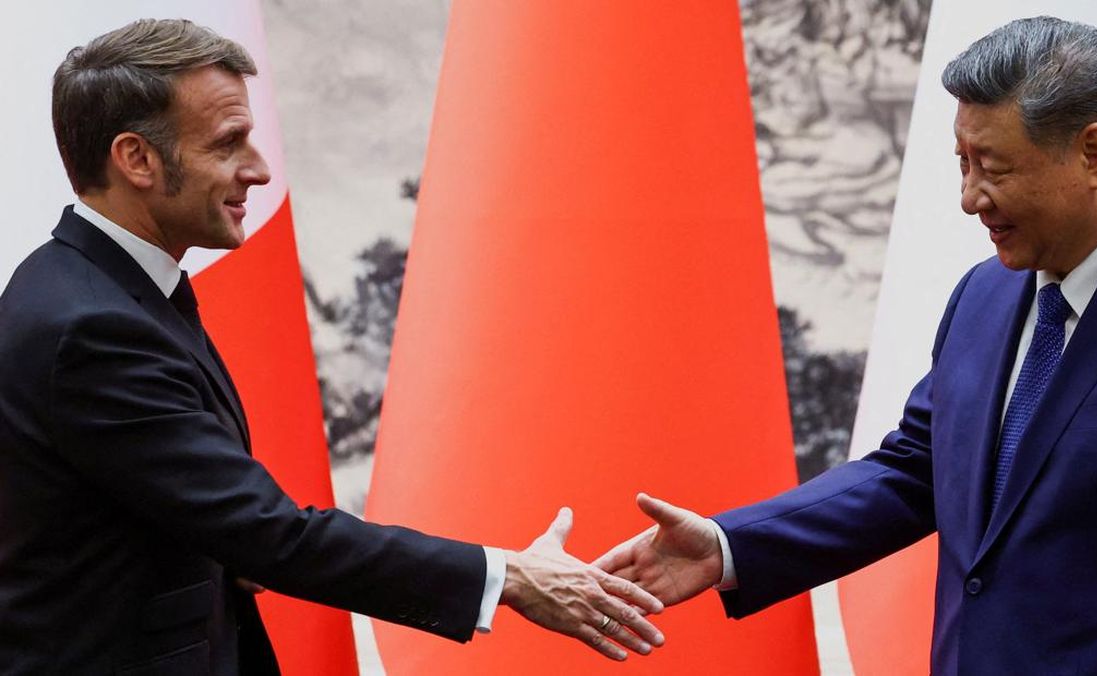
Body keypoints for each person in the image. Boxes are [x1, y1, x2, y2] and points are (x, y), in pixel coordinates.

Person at [0, 19, 663, 674]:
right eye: (228, 143)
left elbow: (156, 508)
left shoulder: (97, 289)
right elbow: (268, 532)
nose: (259, 170)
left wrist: (227, 549)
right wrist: (508, 576)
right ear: (137, 159)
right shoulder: (91, 327)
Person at [596, 16, 1097, 675]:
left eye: (993, 168)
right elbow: (916, 472)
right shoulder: (984, 296)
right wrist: (727, 547)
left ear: (1095, 154)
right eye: (962, 164)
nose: (970, 198)